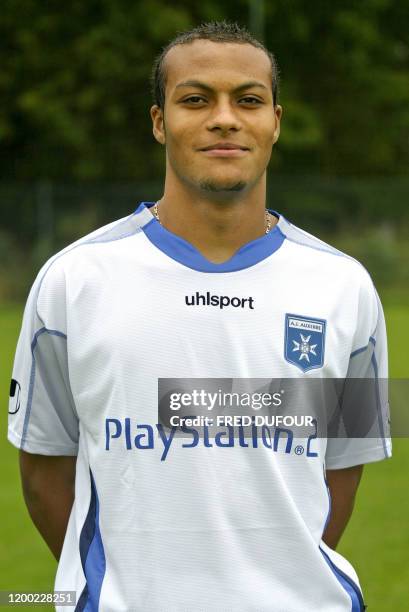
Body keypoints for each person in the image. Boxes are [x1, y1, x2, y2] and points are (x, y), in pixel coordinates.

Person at [8, 21, 391, 612]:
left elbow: (342, 469)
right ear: (159, 122)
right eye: (195, 99)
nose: (225, 118)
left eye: (248, 100)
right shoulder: (73, 279)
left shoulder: (346, 285)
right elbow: (42, 469)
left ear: (275, 122)